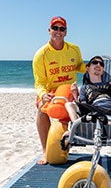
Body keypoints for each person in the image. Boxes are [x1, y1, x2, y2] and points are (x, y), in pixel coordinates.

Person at [32, 16, 86, 165]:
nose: (58, 31)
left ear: (66, 32)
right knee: (42, 110)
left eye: (62, 29)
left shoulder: (74, 49)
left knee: (63, 111)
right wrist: (43, 95)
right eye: (55, 28)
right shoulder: (41, 55)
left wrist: (92, 67)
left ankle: (63, 141)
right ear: (49, 31)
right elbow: (39, 82)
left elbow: (79, 66)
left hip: (68, 89)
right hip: (50, 90)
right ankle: (46, 150)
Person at [65, 56, 111, 123]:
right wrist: (75, 94)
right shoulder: (85, 88)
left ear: (103, 71)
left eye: (101, 64)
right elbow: (82, 106)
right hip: (95, 110)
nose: (98, 65)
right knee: (69, 105)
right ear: (87, 68)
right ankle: (76, 127)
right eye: (95, 62)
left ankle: (108, 126)